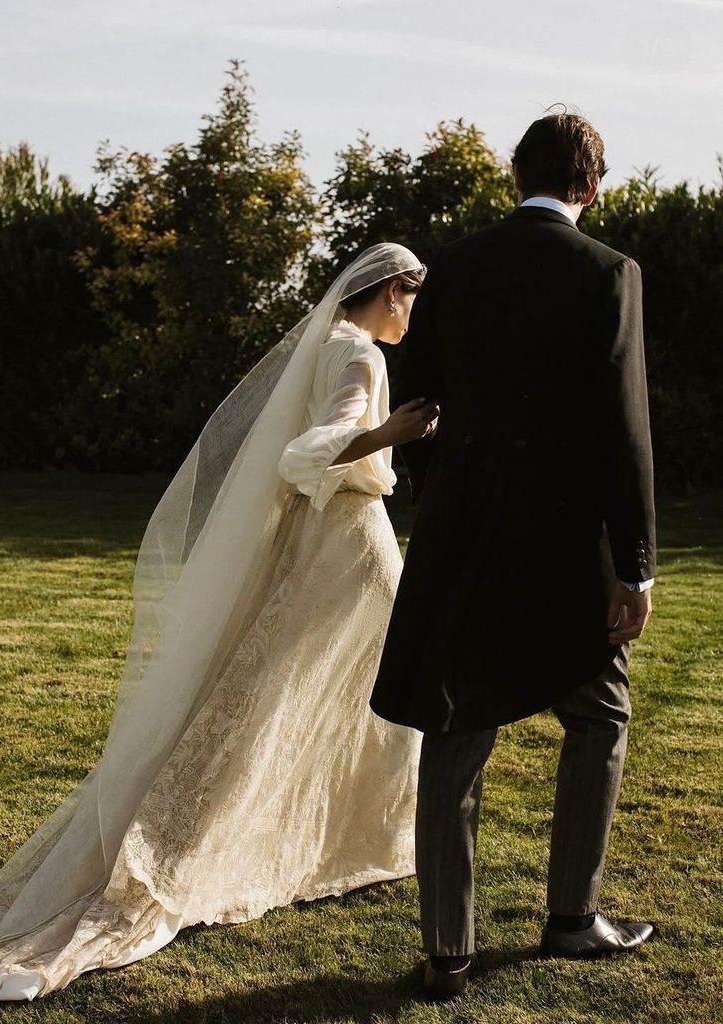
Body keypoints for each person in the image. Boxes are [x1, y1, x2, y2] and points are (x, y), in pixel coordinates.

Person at [0, 243, 439, 1003]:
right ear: (392, 291)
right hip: (349, 540)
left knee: (302, 686)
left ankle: (352, 833)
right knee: (348, 681)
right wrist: (391, 434)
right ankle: (352, 836)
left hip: (318, 537)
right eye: (411, 299)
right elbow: (307, 454)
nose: (411, 315)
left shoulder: (324, 345)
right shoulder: (356, 356)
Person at [370, 113, 657, 1002]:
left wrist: (440, 488)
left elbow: (413, 400)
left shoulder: (447, 268)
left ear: (513, 177)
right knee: (600, 713)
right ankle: (570, 920)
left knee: (454, 732)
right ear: (592, 186)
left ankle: (446, 956)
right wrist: (634, 564)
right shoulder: (611, 272)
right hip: (566, 550)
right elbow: (623, 427)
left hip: (461, 535)